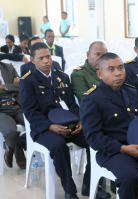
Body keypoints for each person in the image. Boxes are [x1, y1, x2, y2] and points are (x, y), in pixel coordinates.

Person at [19, 42, 98, 199]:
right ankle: (70, 190)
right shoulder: (28, 81)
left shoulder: (61, 76)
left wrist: (79, 121)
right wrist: (50, 127)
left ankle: (88, 185)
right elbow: (30, 112)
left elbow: (71, 105)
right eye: (41, 58)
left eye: (48, 56)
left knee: (93, 139)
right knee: (58, 145)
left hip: (68, 123)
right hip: (42, 128)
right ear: (32, 60)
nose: (46, 61)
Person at [80, 53, 138, 199]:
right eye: (111, 69)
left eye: (121, 68)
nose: (118, 73)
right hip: (114, 151)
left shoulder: (131, 91)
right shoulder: (92, 98)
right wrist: (124, 149)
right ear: (100, 74)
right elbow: (93, 137)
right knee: (129, 178)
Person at [0, 61, 26, 169]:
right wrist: (11, 88)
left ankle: (10, 145)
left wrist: (2, 87)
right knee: (11, 132)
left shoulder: (8, 67)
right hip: (1, 110)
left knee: (36, 123)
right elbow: (15, 87)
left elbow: (21, 85)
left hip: (17, 106)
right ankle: (20, 157)